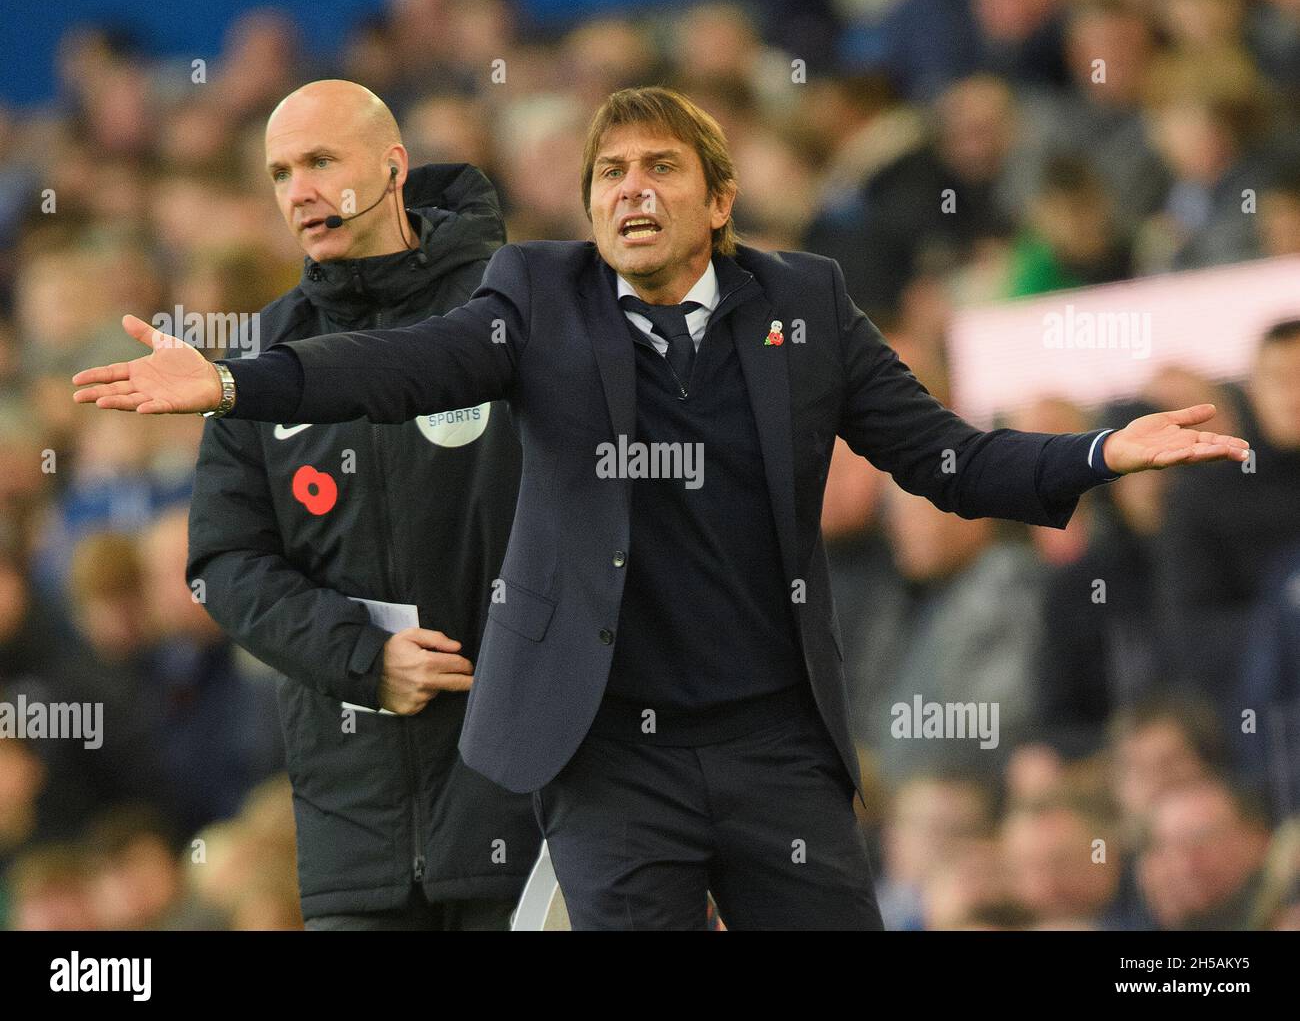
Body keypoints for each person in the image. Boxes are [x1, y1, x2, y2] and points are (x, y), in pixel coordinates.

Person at [74, 85, 1251, 931]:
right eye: (607, 176)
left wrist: (1099, 449)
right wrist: (237, 378)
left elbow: (946, 458)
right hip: (603, 751)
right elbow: (396, 366)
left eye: (659, 168)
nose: (631, 192)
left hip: (773, 739)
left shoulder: (807, 305)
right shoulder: (535, 301)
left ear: (719, 195)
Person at [179, 80, 539, 929]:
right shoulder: (260, 356)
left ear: (393, 166)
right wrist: (361, 657)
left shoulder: (516, 311)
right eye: (278, 173)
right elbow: (222, 562)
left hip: (525, 807)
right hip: (356, 834)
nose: (299, 190)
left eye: (320, 161)